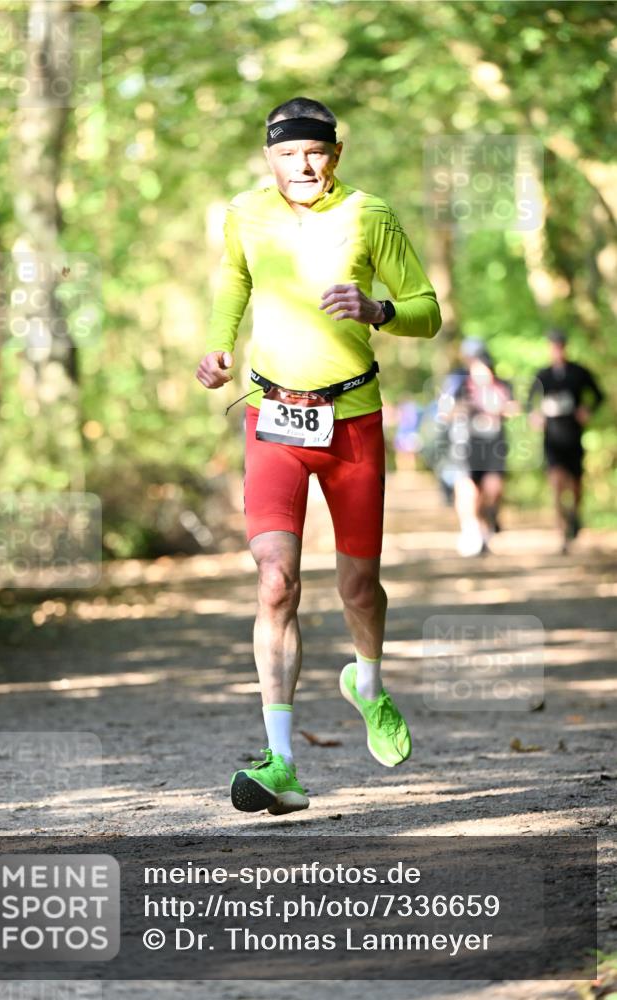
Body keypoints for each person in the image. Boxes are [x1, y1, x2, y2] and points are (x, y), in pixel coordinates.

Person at [196, 96, 441, 815]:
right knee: (275, 581)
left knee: (359, 588)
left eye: (314, 152)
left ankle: (366, 683)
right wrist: (218, 343)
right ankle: (281, 763)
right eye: (286, 153)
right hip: (273, 418)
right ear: (267, 155)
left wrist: (379, 311)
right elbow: (234, 278)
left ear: (334, 154)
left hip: (353, 421)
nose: (301, 165)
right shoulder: (245, 213)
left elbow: (426, 307)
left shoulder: (370, 214)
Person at [527, 329, 604, 553]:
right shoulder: (542, 375)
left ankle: (575, 515)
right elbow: (528, 401)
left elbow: (598, 395)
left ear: (565, 347)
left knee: (576, 485)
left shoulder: (579, 373)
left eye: (559, 346)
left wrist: (587, 410)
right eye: (553, 346)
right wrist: (535, 414)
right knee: (557, 484)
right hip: (552, 439)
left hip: (573, 437)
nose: (557, 350)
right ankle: (561, 533)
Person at [439, 338, 516, 557]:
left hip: (493, 444)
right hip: (464, 444)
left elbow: (513, 407)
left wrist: (498, 408)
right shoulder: (457, 382)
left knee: (492, 490)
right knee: (467, 489)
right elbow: (444, 412)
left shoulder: (501, 384)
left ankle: (486, 524)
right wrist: (464, 408)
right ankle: (470, 530)